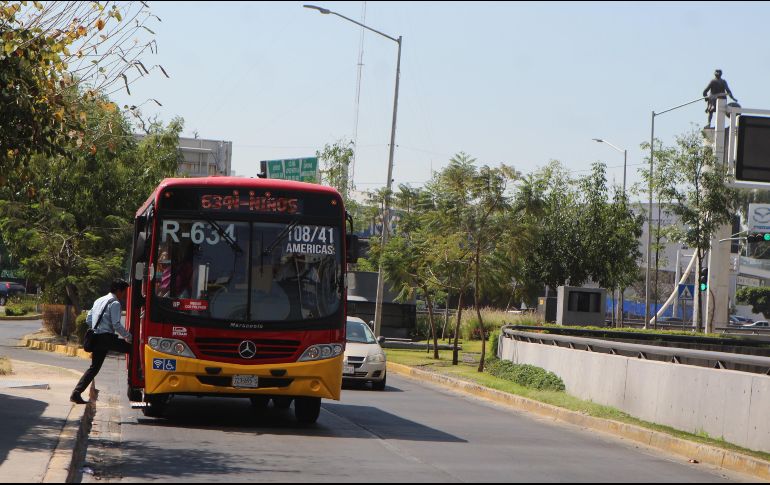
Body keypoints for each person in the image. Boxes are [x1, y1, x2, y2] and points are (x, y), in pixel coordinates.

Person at [70, 280, 133, 404]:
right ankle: (136, 379)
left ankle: (76, 393)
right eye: (125, 292)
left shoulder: (99, 300)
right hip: (105, 338)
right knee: (133, 348)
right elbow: (116, 324)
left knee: (94, 368)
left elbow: (88, 319)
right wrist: (129, 337)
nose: (125, 295)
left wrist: (99, 326)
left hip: (97, 337)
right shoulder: (115, 303)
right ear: (118, 290)